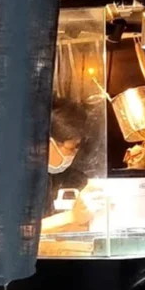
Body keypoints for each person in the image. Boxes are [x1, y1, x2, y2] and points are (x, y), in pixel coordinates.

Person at [43, 100, 103, 234]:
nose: (74, 154)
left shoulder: (44, 178)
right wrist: (72, 216)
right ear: (49, 143)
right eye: (71, 148)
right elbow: (15, 233)